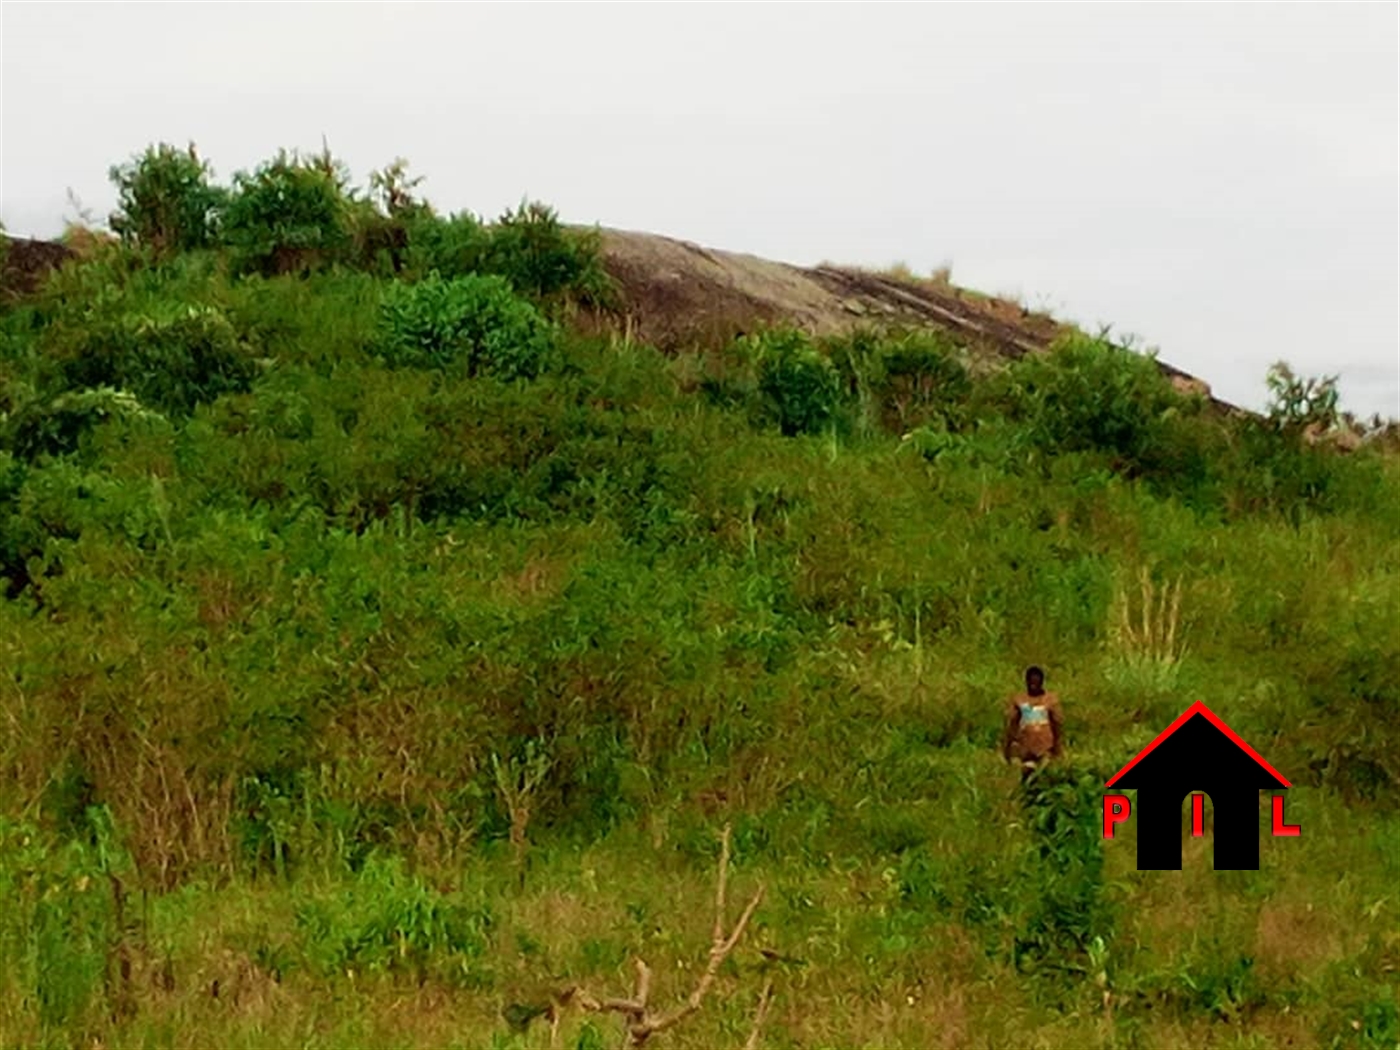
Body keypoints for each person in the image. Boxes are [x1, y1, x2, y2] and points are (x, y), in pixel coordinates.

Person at [1001, 665, 1064, 781]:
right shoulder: (1019, 700)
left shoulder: (1050, 700)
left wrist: (1058, 747)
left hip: (1045, 747)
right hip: (1024, 748)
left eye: (1036, 682)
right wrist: (1007, 747)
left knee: (1042, 776)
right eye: (1031, 682)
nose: (1033, 685)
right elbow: (1011, 724)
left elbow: (1057, 724)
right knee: (1023, 776)